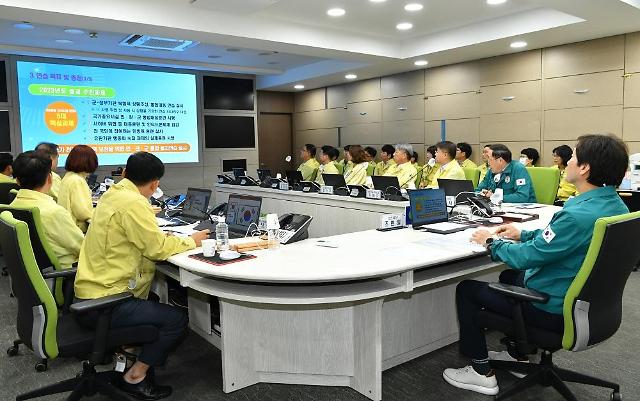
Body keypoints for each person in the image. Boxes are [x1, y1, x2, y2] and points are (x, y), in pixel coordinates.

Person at [443, 134, 630, 396]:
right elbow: (558, 239)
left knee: (468, 289)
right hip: (590, 306)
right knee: (509, 277)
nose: (568, 162)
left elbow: (528, 257)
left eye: (574, 156)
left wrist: (490, 242)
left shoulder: (576, 215)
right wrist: (523, 233)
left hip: (553, 307)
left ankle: (480, 371)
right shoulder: (613, 205)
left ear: (585, 168)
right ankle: (519, 358)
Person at [74, 152, 209, 400]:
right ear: (155, 184)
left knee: (156, 303)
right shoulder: (135, 203)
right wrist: (191, 240)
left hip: (89, 292)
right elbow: (156, 249)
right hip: (106, 300)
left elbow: (139, 238)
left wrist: (163, 238)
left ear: (125, 173)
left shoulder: (113, 194)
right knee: (176, 320)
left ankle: (127, 354)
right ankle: (135, 376)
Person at [10, 151, 84, 268]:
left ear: (17, 181)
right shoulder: (53, 212)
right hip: (68, 273)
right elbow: (82, 247)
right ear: (50, 178)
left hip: (38, 272)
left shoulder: (13, 205)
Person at [58, 145, 98, 232]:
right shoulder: (77, 180)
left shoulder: (68, 176)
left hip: (66, 227)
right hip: (77, 229)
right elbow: (82, 213)